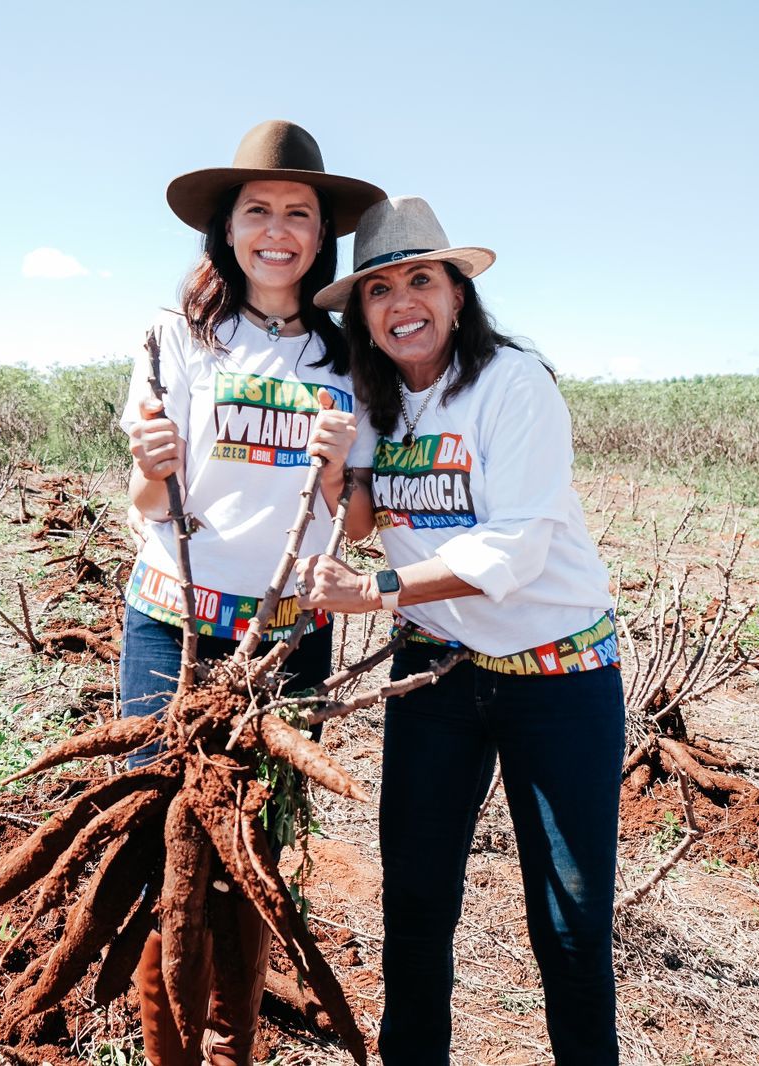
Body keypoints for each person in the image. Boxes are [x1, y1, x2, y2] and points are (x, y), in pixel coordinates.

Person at [294, 196, 624, 1065]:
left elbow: (511, 549)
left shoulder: (514, 385)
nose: (403, 302)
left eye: (421, 280)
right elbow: (363, 516)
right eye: (379, 289)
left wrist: (378, 590)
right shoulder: (374, 398)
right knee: (415, 905)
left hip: (558, 675)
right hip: (437, 672)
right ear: (361, 313)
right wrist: (335, 470)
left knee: (570, 923)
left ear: (456, 293)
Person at [119, 119, 383, 1066]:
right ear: (226, 231)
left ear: (323, 237)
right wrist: (153, 465)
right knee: (171, 846)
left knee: (256, 852)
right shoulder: (176, 339)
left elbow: (356, 526)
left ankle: (237, 1050)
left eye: (299, 214)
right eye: (258, 211)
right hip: (172, 626)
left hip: (284, 639)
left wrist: (341, 470)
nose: (279, 229)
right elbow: (150, 499)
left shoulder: (350, 356)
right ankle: (170, 1048)